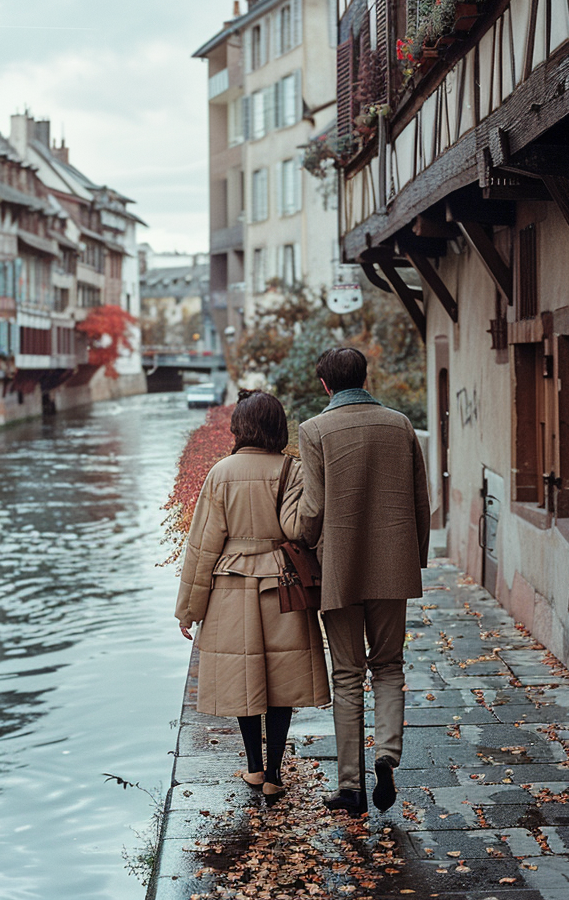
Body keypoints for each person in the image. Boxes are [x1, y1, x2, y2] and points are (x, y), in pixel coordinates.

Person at [176, 388, 330, 800]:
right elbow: (298, 529)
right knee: (282, 682)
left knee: (244, 679)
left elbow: (202, 546)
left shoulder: (220, 473)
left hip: (230, 586)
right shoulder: (291, 471)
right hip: (281, 584)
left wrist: (187, 610)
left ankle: (254, 768)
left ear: (239, 428)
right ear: (280, 427)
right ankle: (277, 774)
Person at [298, 347, 430, 816]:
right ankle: (387, 754)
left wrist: (300, 538)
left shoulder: (314, 430)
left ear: (325, 386)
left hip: (340, 567)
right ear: (364, 376)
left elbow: (312, 510)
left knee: (348, 674)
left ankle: (350, 787)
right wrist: (414, 558)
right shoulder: (400, 424)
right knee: (390, 666)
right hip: (394, 566)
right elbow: (420, 501)